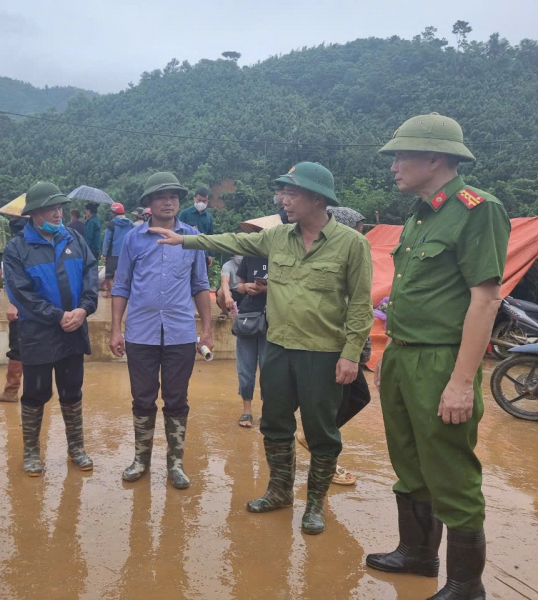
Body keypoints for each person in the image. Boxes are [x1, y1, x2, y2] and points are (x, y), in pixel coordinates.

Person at [152, 162, 373, 534]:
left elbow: (361, 305)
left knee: (321, 430)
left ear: (317, 198)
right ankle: (280, 491)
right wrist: (185, 239)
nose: (283, 200)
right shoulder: (277, 238)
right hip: (279, 348)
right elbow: (232, 242)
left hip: (323, 353)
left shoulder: (352, 244)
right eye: (282, 192)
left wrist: (351, 354)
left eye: (292, 193)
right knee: (274, 424)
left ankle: (315, 504)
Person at [366, 114, 510, 600]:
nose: (393, 166)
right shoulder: (421, 214)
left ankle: (466, 586)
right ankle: (418, 554)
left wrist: (460, 381)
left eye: (401, 156)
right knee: (409, 461)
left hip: (441, 363)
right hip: (403, 357)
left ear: (435, 157)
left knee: (450, 469)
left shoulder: (476, 209)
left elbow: (485, 298)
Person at [110, 172, 213, 490]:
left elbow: (200, 284)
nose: (169, 201)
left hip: (181, 333)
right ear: (149, 204)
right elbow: (121, 285)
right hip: (140, 333)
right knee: (142, 398)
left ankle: (175, 464)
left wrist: (206, 329)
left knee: (177, 399)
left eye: (174, 196)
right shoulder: (133, 238)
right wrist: (116, 329)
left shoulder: (192, 236)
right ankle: (141, 459)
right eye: (161, 196)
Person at [3, 182, 99, 475]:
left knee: (72, 391)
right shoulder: (17, 248)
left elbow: (90, 274)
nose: (58, 213)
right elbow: (20, 294)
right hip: (38, 334)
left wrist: (83, 308)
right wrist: (57, 315)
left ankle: (76, 448)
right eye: (51, 208)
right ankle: (32, 451)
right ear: (34, 213)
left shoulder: (74, 239)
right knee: (35, 393)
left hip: (73, 330)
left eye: (60, 207)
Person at [295, 206, 370, 486]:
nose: (361, 237)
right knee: (331, 407)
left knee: (355, 399)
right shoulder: (327, 254)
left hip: (346, 347)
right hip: (333, 346)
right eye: (357, 231)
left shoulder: (353, 252)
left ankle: (316, 441)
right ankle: (323, 460)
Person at [0, 214, 28, 403]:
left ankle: (11, 391)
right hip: (43, 306)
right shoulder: (44, 242)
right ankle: (34, 391)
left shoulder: (16, 245)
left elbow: (17, 277)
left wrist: (14, 303)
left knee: (17, 348)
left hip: (23, 306)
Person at [232, 253, 268, 428]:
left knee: (270, 368)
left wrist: (267, 289)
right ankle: (247, 410)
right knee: (245, 367)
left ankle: (268, 411)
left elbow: (292, 286)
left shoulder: (283, 255)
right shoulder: (249, 257)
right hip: (248, 318)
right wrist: (246, 287)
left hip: (274, 319)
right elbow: (238, 286)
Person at [101, 202, 132, 297]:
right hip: (126, 253)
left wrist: (104, 254)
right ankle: (122, 293)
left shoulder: (112, 224)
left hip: (113, 253)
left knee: (109, 274)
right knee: (123, 274)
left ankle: (110, 293)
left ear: (114, 213)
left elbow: (107, 240)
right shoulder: (130, 224)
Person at [179, 187, 215, 267]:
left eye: (204, 201)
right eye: (199, 200)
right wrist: (190, 231)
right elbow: (178, 232)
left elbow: (210, 236)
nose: (201, 203)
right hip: (186, 253)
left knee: (202, 278)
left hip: (203, 254)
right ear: (194, 199)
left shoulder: (208, 217)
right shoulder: (184, 214)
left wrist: (210, 255)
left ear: (207, 201)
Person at [216, 255, 244, 321]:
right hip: (232, 293)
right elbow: (224, 282)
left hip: (244, 292)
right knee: (221, 292)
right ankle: (225, 311)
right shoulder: (227, 265)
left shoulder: (249, 264)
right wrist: (227, 296)